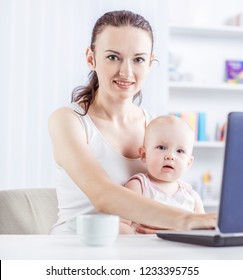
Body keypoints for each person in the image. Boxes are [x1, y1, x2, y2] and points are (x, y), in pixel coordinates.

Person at [48, 10, 216, 235]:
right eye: (113, 57)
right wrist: (189, 221)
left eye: (138, 59)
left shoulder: (156, 126)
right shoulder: (69, 120)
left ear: (149, 63)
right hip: (77, 252)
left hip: (137, 253)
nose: (126, 72)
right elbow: (103, 196)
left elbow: (170, 191)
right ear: (91, 58)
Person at [120, 115, 205, 234]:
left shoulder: (192, 196)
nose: (170, 156)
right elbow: (121, 225)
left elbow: (202, 230)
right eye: (162, 147)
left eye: (179, 151)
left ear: (188, 163)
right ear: (144, 155)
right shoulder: (138, 187)